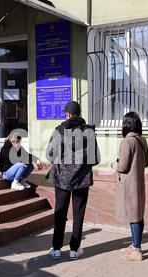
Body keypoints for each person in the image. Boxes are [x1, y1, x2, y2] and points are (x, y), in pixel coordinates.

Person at [46, 101, 101, 260]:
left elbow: (49, 155)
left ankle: (56, 249)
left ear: (68, 114)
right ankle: (74, 249)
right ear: (80, 113)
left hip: (62, 178)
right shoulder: (89, 132)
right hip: (82, 179)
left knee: (60, 212)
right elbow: (96, 158)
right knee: (79, 214)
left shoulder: (59, 130)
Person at [114, 112, 148, 261]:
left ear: (126, 125)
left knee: (133, 216)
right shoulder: (142, 140)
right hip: (139, 182)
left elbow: (122, 166)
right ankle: (136, 243)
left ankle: (137, 250)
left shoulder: (127, 142)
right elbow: (146, 163)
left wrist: (114, 164)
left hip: (129, 184)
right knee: (138, 214)